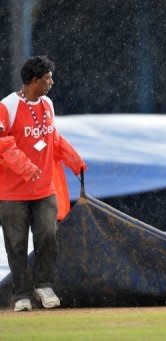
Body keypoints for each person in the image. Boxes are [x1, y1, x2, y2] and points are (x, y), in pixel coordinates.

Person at [0, 55, 86, 312]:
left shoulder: (47, 104)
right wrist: (25, 167)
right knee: (16, 245)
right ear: (34, 80)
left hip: (44, 188)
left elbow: (52, 138)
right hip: (12, 192)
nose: (52, 82)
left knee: (48, 235)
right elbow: (2, 144)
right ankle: (21, 295)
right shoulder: (7, 106)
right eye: (48, 78)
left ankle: (44, 285)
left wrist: (74, 160)